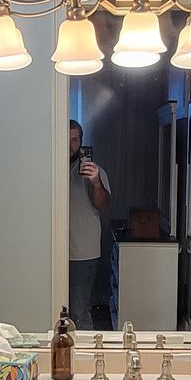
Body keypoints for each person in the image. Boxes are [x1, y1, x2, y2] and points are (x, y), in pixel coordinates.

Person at [68, 118, 110, 329]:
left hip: (83, 254)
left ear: (81, 141)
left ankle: (86, 357)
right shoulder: (53, 169)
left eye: (74, 140)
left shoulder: (95, 171)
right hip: (54, 254)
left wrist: (95, 182)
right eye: (65, 140)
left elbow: (102, 206)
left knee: (79, 312)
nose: (70, 145)